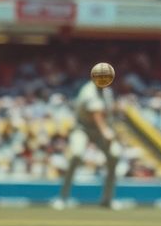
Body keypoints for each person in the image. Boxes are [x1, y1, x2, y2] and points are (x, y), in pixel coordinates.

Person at [52, 79, 121, 210]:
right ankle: (62, 198)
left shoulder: (107, 92)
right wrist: (106, 131)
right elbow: (96, 115)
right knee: (76, 155)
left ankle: (107, 200)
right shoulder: (88, 91)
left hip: (100, 130)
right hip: (82, 128)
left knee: (115, 154)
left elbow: (108, 114)